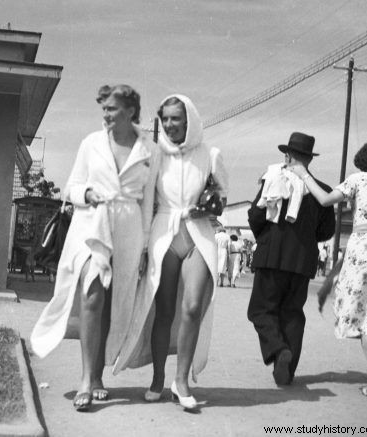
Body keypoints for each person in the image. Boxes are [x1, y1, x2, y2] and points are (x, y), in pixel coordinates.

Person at [30, 84, 158, 411]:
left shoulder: (150, 149)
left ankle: (99, 376)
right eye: (103, 109)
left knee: (114, 301)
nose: (106, 115)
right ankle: (86, 379)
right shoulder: (91, 143)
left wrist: (144, 248)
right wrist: (86, 194)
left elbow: (148, 205)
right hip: (92, 224)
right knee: (92, 293)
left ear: (130, 111)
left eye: (112, 109)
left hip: (129, 228)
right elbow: (72, 187)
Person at [115, 94, 228, 410]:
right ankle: (158, 378)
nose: (170, 124)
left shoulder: (210, 154)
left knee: (193, 307)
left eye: (176, 118)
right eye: (165, 119)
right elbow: (147, 199)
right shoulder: (156, 154)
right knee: (164, 310)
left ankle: (182, 382)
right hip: (164, 235)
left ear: (189, 119)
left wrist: (207, 206)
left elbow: (222, 193)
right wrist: (143, 245)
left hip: (199, 236)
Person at [288, 141, 367, 399]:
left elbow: (324, 199)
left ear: (362, 160)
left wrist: (304, 175)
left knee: (364, 318)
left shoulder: (357, 180)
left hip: (363, 248)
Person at [247, 132, 335, 385]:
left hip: (271, 255)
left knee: (261, 310)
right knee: (293, 313)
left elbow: (255, 216)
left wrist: (266, 237)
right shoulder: (322, 191)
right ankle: (286, 370)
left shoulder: (273, 180)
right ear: (309, 159)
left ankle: (277, 349)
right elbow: (327, 231)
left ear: (287, 155)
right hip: (302, 261)